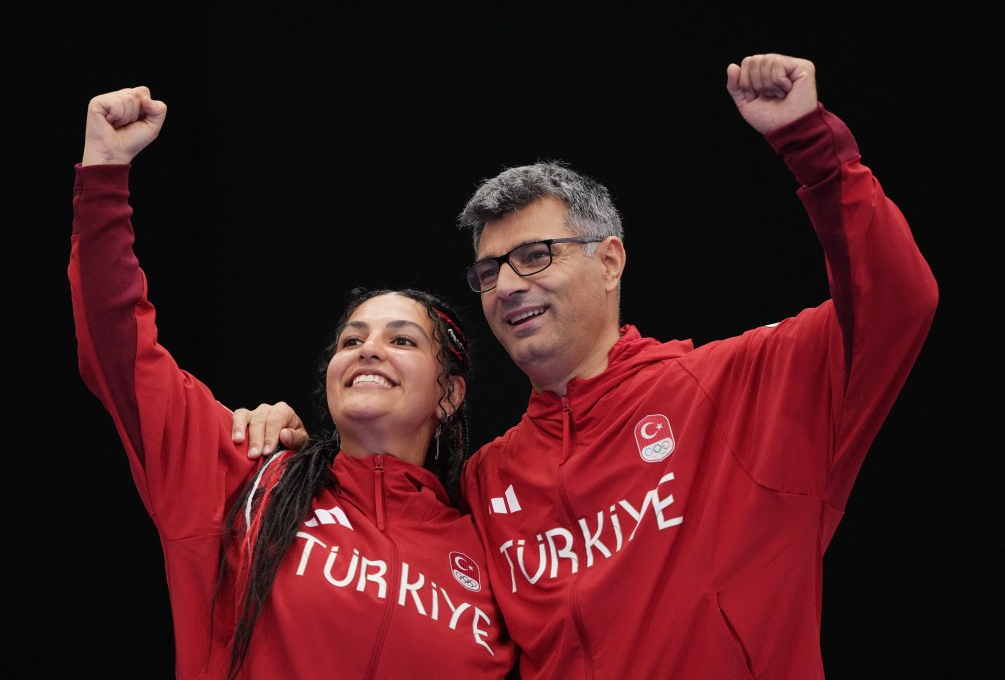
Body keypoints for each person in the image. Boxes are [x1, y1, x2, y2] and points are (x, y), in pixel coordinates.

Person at [235, 53, 939, 678]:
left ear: (609, 261)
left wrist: (810, 144)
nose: (509, 286)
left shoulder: (740, 387)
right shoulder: (486, 480)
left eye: (535, 256)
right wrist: (287, 447)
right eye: (489, 272)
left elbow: (897, 302)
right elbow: (386, 547)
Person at [69, 87, 518, 679]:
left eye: (402, 341)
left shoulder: (488, 551)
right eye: (351, 340)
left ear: (450, 394)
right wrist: (105, 176)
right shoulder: (247, 477)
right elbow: (120, 347)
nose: (368, 350)